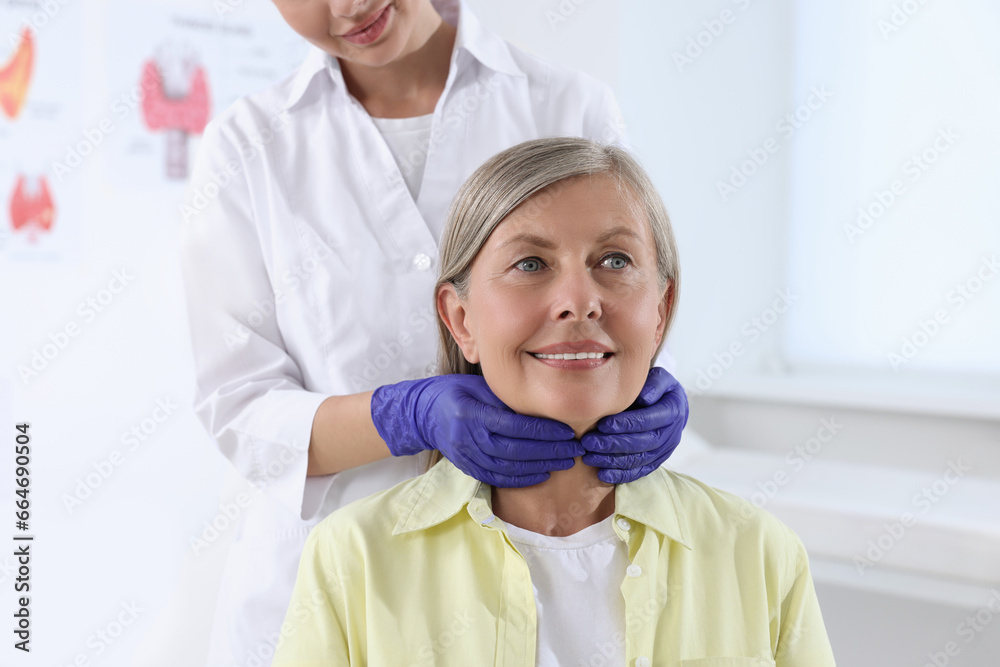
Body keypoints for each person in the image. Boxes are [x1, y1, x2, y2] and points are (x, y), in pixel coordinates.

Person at [179, 1, 689, 665]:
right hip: (326, 595)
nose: (349, 7)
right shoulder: (249, 146)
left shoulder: (567, 105)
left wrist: (657, 384)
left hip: (543, 584)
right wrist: (405, 415)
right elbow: (237, 403)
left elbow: (627, 292)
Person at [270, 137, 837, 666]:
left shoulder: (758, 554)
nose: (579, 302)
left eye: (615, 260)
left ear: (660, 311)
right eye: (531, 264)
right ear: (460, 319)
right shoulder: (355, 561)